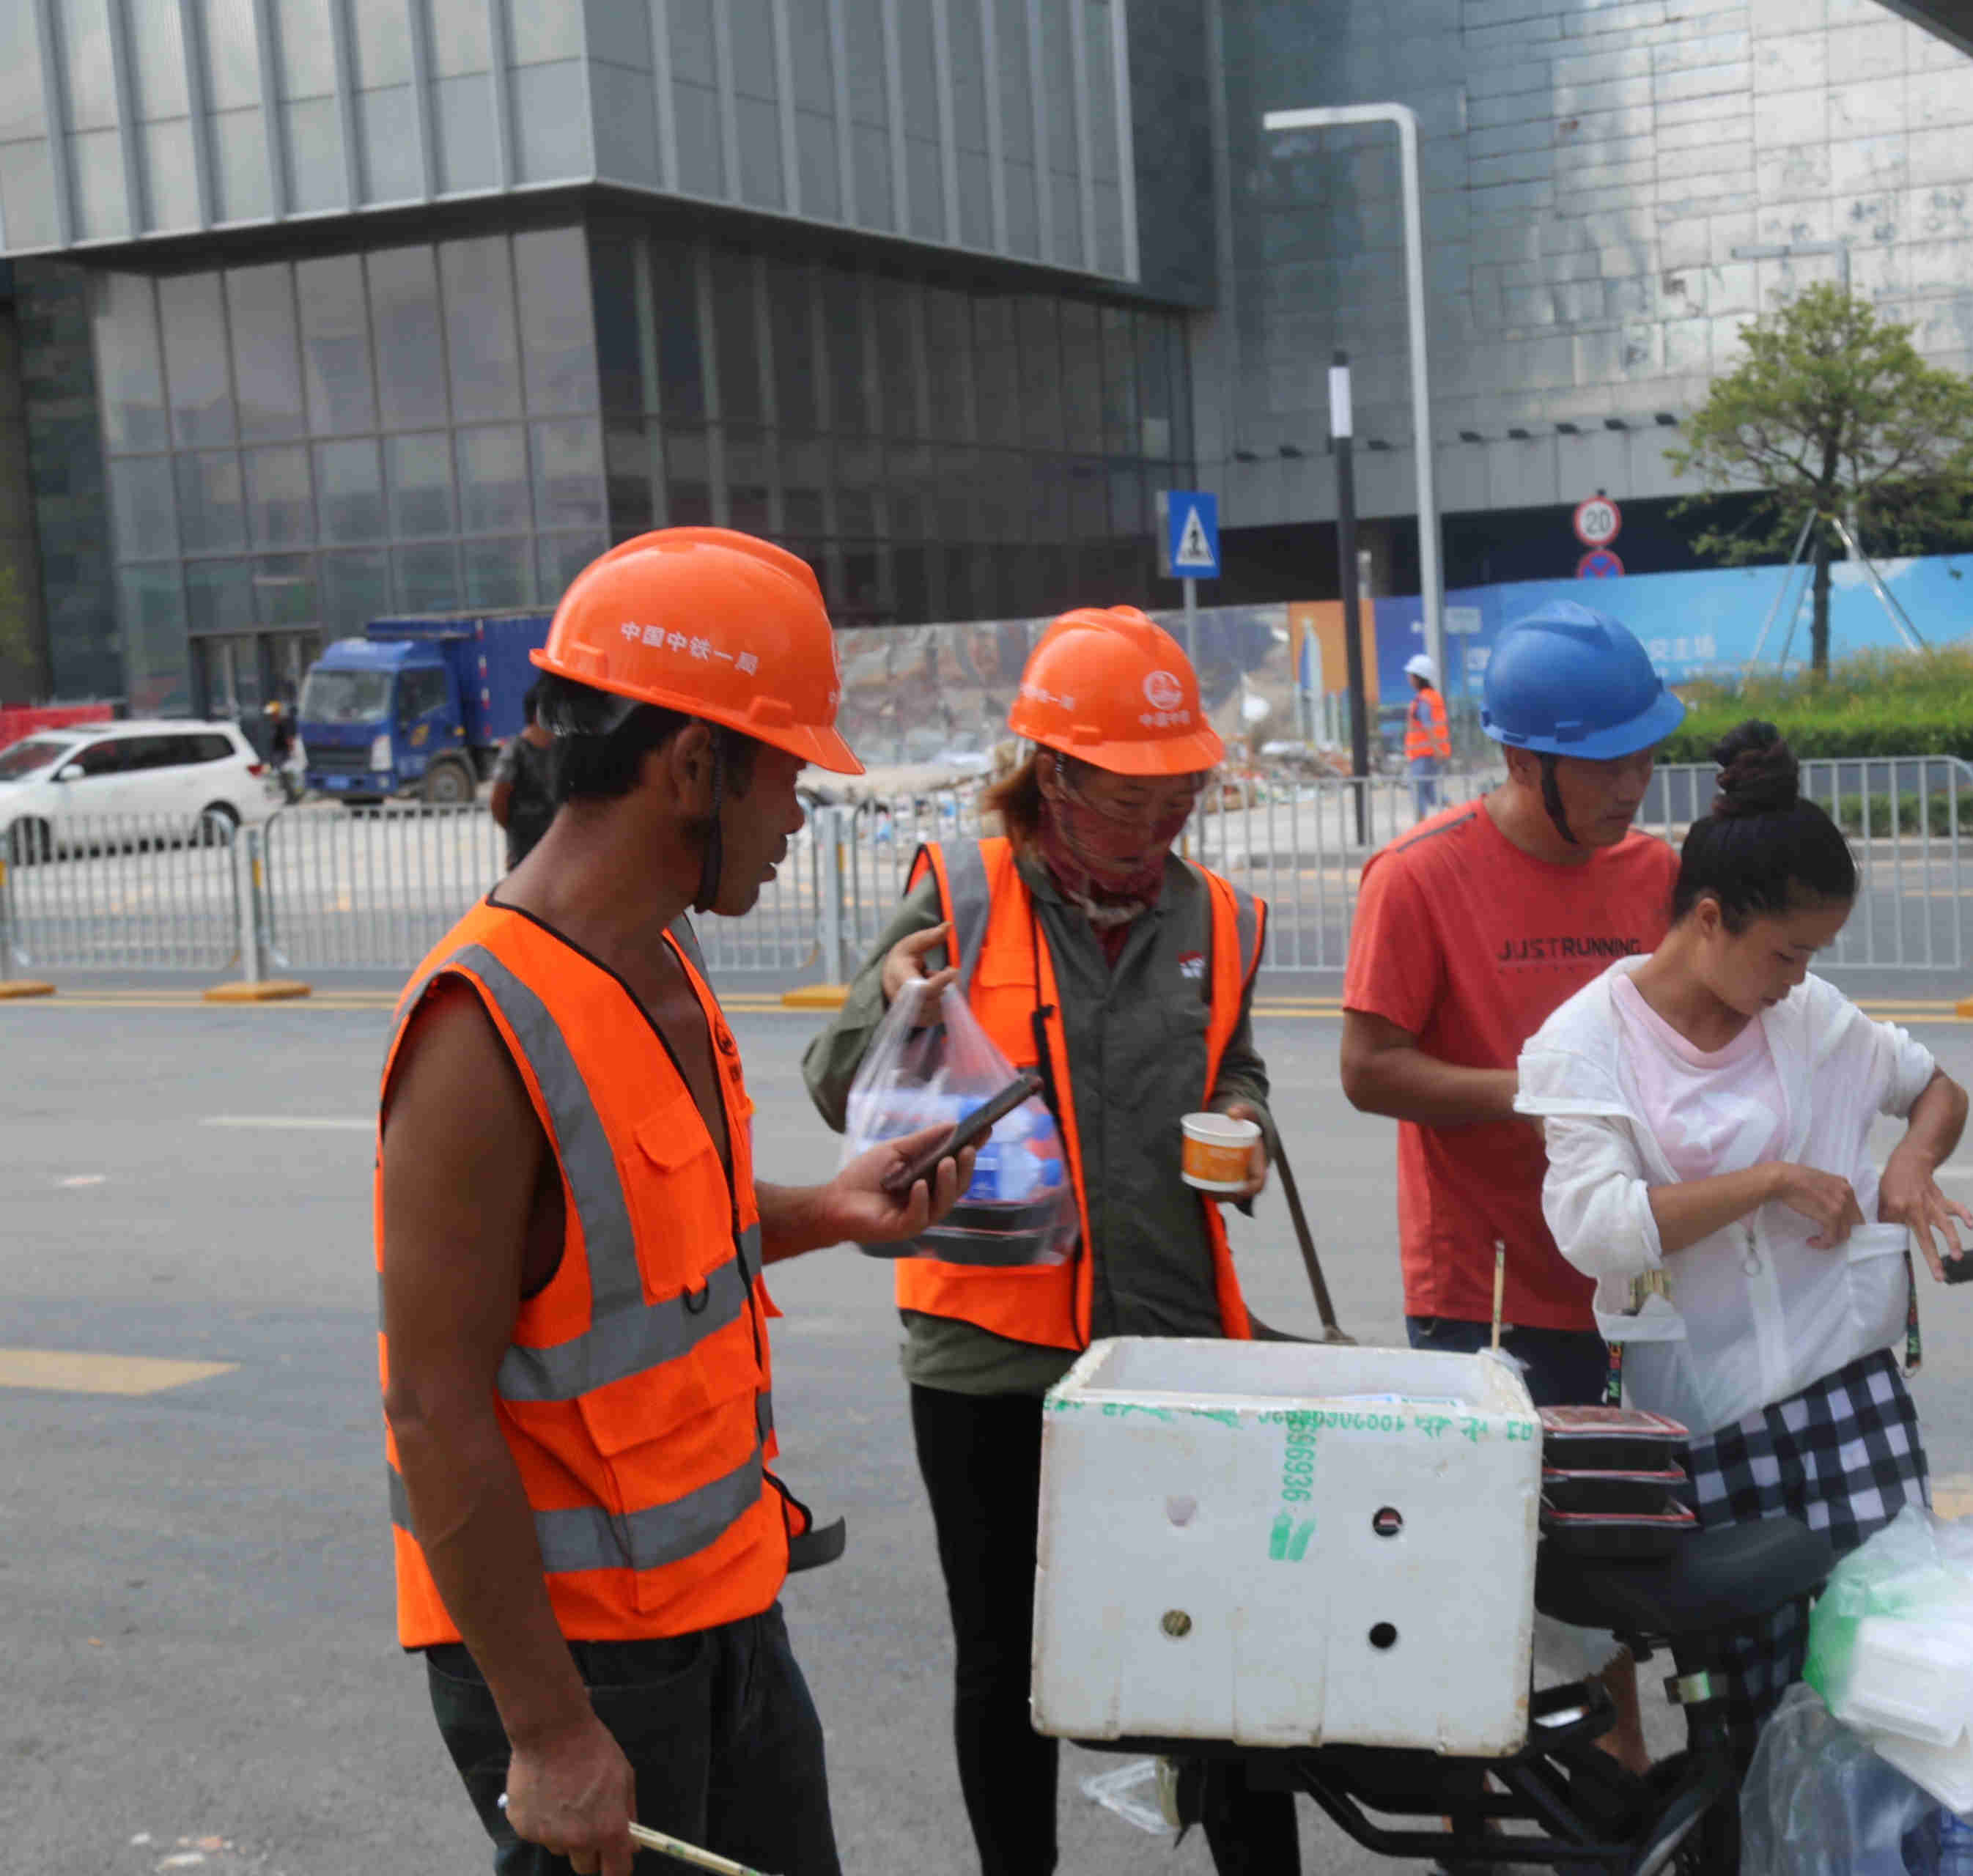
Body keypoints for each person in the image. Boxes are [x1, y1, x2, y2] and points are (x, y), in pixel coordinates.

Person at [377, 528, 982, 1876]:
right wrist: (550, 1732)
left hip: (724, 1605)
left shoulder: (662, 960)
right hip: (578, 1663)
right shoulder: (481, 1028)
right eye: (789, 777)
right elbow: (432, 1406)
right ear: (694, 767)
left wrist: (833, 1208)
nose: (799, 818)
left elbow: (648, 1243)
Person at [800, 605, 1296, 1876]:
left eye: (1180, 794)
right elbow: (839, 1084)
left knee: (1220, 1648)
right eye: (1129, 798)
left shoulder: (1220, 920)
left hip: (1175, 1344)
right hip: (990, 1353)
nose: (1159, 824)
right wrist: (898, 1010)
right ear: (1054, 777)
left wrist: (1245, 1119)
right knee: (1005, 1659)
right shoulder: (959, 893)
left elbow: (1236, 1065)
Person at [1522, 720, 1973, 1728]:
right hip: (1709, 1415)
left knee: (1902, 1676)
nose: (1798, 977)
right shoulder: (1587, 1042)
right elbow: (1597, 1229)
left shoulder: (1809, 1019)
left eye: (1814, 955)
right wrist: (1768, 1180)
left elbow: (1936, 1087)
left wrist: (1911, 1163)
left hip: (1846, 1389)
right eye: (1787, 951)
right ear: (1710, 918)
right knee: (1747, 1709)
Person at [1340, 599, 1681, 1779]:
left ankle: (1617, 1798)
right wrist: (1538, 1096)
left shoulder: (1660, 874)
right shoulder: (1420, 878)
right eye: (1607, 766)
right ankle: (1476, 1816)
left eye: (1645, 758)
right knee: (1491, 1577)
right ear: (1526, 763)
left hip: (1627, 1281)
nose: (1634, 786)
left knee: (1615, 1566)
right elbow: (1369, 1070)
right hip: (1482, 1288)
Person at [490, 687, 558, 869]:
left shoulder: (559, 750)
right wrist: (518, 828)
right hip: (524, 853)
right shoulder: (515, 751)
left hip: (555, 853)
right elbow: (498, 801)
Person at [1403, 649, 1452, 819]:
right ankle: (1460, 812)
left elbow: (1428, 727)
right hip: (1432, 754)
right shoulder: (1434, 698)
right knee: (1431, 793)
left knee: (1418, 792)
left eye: (1411, 675)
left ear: (1418, 677)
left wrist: (1436, 750)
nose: (1409, 678)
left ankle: (1421, 827)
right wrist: (1439, 751)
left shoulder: (1423, 701)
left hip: (1423, 755)